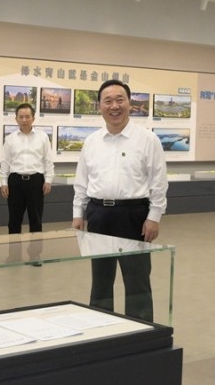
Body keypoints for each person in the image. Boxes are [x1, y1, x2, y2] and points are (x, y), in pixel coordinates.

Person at [71, 79, 168, 322]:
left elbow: (158, 181)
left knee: (137, 279)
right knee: (101, 279)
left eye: (119, 100)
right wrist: (78, 213)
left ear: (129, 103)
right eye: (108, 101)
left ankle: (140, 330)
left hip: (133, 215)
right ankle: (102, 328)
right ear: (99, 106)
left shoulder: (147, 139)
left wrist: (154, 216)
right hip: (98, 214)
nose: (114, 106)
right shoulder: (92, 141)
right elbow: (82, 181)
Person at [0, 103, 54, 234]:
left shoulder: (42, 137)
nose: (24, 120)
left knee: (36, 219)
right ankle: (13, 246)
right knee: (14, 219)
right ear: (16, 119)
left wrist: (48, 180)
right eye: (21, 117)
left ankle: (36, 247)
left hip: (36, 181)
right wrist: (3, 183)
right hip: (15, 181)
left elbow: (48, 160)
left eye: (27, 117)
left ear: (33, 118)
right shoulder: (10, 138)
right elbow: (5, 162)